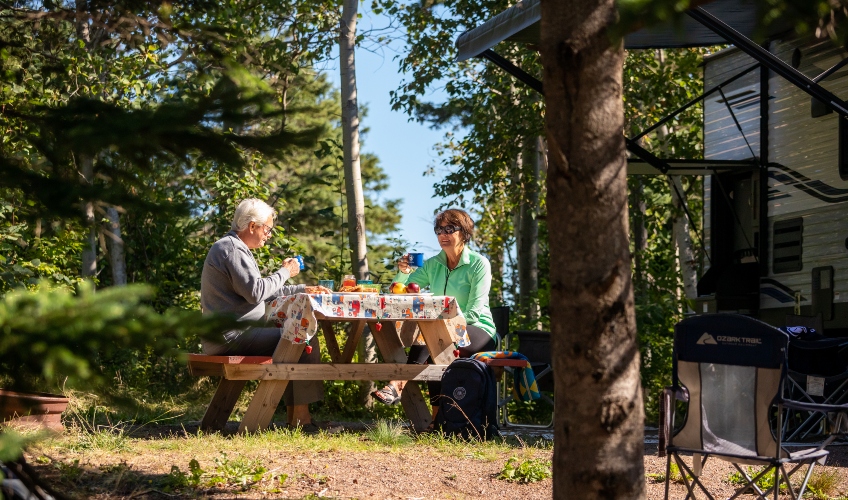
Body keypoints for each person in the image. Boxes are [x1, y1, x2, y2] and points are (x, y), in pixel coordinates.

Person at [200, 198, 332, 432]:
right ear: (252, 226)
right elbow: (256, 292)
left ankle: (296, 420)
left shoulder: (235, 248)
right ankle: (300, 420)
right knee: (304, 338)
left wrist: (302, 289)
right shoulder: (231, 250)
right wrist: (286, 271)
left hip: (232, 334)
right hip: (232, 336)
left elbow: (262, 291)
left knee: (299, 335)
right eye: (267, 229)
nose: (269, 235)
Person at [371, 208, 497, 428]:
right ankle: (436, 421)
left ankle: (398, 384)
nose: (443, 234)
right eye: (439, 230)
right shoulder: (433, 264)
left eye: (450, 229)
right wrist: (404, 272)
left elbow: (475, 312)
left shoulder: (478, 264)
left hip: (478, 330)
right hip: (440, 334)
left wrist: (444, 326)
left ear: (464, 232)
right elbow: (399, 292)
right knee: (434, 343)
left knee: (434, 338)